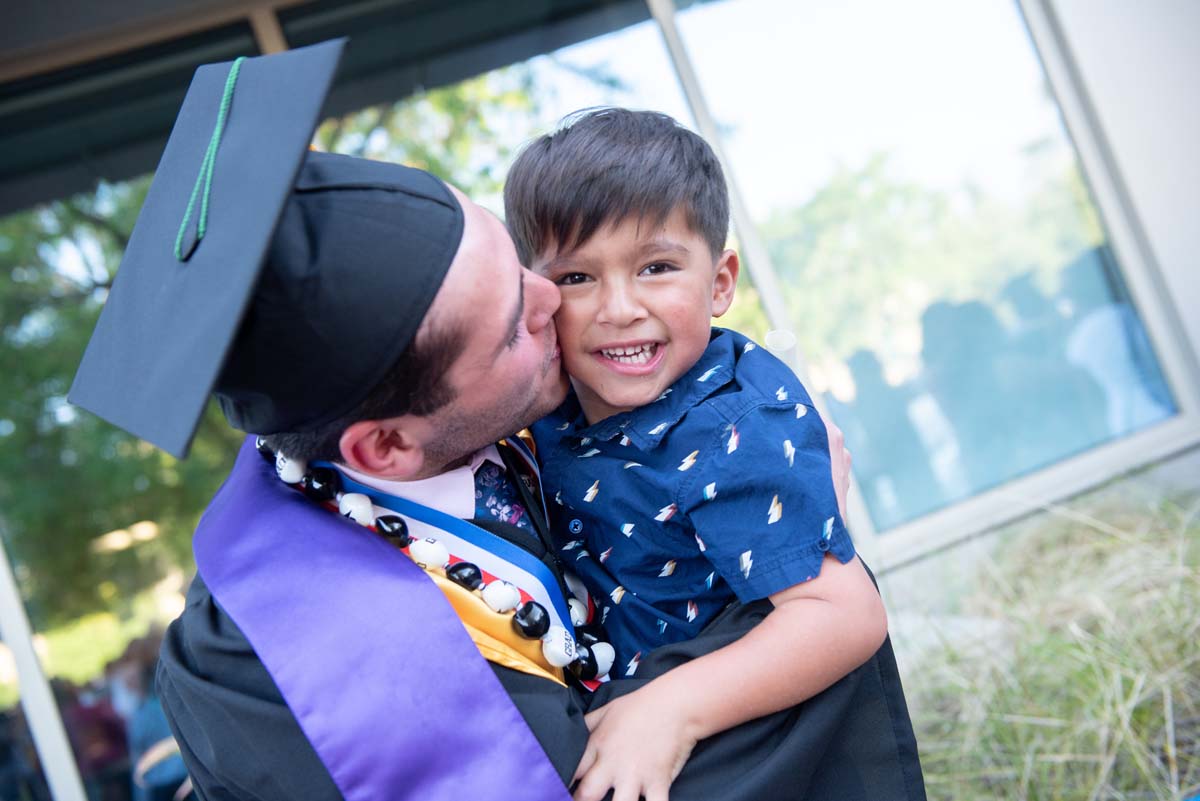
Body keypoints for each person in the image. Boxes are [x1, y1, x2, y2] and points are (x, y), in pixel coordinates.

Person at [70, 42, 924, 800]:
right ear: (388, 446)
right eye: (519, 317)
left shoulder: (583, 425)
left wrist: (781, 524)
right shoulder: (301, 665)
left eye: (516, 269)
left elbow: (818, 604)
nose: (567, 306)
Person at [505, 108, 899, 801]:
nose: (618, 307)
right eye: (576, 278)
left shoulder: (733, 423)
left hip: (753, 748)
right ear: (535, 296)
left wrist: (671, 708)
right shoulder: (551, 407)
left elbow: (845, 615)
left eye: (655, 267)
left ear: (720, 283)